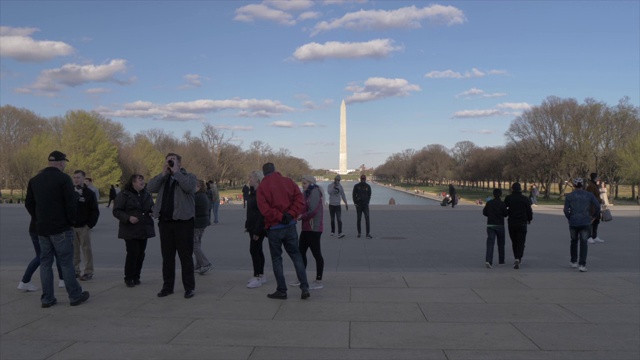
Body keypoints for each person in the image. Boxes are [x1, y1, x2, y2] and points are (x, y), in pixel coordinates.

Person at [25, 150, 90, 307]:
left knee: (46, 263)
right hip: (61, 228)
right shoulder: (63, 179)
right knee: (66, 262)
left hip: (42, 228)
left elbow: (29, 203)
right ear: (61, 163)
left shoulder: (35, 180)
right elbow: (70, 203)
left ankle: (47, 298)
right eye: (64, 163)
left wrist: (38, 218)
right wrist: (70, 220)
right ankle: (74, 295)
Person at [147, 153, 197, 299]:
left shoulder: (189, 177)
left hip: (183, 222)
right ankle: (167, 286)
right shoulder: (164, 178)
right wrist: (163, 173)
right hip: (165, 222)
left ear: (179, 163)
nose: (169, 163)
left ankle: (189, 287)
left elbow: (189, 187)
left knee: (185, 256)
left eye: (173, 161)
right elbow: (150, 187)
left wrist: (176, 172)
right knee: (167, 257)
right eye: (168, 161)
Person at [256, 162, 309, 300]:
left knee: (277, 260)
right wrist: (290, 214)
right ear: (275, 170)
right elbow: (300, 200)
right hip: (290, 225)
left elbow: (265, 210)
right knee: (296, 256)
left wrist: (279, 217)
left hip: (274, 228)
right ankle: (304, 287)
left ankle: (282, 290)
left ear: (264, 173)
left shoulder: (262, 187)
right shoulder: (288, 182)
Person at [112, 174, 155, 287]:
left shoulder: (146, 194)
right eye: (139, 180)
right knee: (132, 253)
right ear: (133, 182)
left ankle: (137, 276)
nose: (142, 182)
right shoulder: (124, 195)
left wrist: (152, 211)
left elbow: (151, 207)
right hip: (130, 230)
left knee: (141, 254)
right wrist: (128, 218)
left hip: (143, 228)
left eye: (143, 179)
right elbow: (116, 211)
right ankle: (129, 277)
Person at [17, 216, 65, 292]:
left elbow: (29, 205)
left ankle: (62, 279)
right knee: (46, 256)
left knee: (42, 256)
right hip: (46, 228)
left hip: (36, 227)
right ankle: (25, 280)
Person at [564, 177, 601, 272]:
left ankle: (573, 261)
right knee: (584, 243)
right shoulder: (589, 195)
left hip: (573, 221)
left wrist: (569, 218)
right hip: (585, 221)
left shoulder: (569, 196)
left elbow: (565, 210)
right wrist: (593, 217)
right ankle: (582, 264)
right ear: (583, 185)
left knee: (573, 241)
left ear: (574, 185)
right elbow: (597, 206)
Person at [297, 175, 325, 290]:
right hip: (306, 227)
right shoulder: (306, 193)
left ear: (310, 183)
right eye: (302, 183)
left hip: (314, 228)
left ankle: (319, 280)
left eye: (304, 183)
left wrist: (301, 216)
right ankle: (301, 278)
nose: (302, 186)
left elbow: (312, 210)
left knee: (316, 253)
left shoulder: (314, 192)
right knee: (301, 252)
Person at [71, 170, 100, 281]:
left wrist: (89, 225)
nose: (76, 179)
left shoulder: (89, 193)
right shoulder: (69, 192)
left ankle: (88, 271)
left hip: (84, 227)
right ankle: (75, 270)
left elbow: (94, 211)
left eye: (78, 177)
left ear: (84, 179)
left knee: (86, 249)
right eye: (74, 177)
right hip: (72, 226)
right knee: (74, 250)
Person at [244, 170, 267, 288]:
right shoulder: (253, 192)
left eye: (251, 178)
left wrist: (257, 230)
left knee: (254, 250)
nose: (249, 179)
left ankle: (258, 275)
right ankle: (260, 275)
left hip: (258, 227)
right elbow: (251, 211)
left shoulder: (260, 193)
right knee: (257, 250)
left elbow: (261, 213)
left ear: (257, 179)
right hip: (252, 226)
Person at [504, 182, 533, 269]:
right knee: (521, 241)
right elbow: (529, 210)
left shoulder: (508, 198)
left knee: (514, 241)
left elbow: (504, 209)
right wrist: (529, 219)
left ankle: (516, 256)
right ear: (520, 189)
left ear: (512, 189)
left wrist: (508, 213)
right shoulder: (525, 199)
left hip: (512, 222)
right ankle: (518, 257)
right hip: (522, 222)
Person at [482, 188, 508, 268]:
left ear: (493, 194)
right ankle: (501, 260)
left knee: (490, 243)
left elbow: (484, 212)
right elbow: (505, 214)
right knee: (501, 244)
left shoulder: (489, 203)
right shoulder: (502, 204)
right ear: (500, 195)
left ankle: (488, 260)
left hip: (490, 225)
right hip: (500, 225)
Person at [193, 179, 213, 275]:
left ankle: (205, 263)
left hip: (197, 223)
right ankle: (199, 264)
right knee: (198, 244)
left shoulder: (197, 197)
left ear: (199, 187)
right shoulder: (203, 196)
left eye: (194, 185)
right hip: (202, 222)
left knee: (195, 245)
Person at [585, 173, 605, 244]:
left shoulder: (595, 185)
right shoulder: (591, 185)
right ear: (595, 178)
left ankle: (594, 236)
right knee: (591, 221)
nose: (598, 178)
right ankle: (588, 237)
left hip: (596, 206)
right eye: (598, 177)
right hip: (592, 206)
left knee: (596, 221)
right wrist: (600, 200)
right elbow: (590, 196)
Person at [353, 174, 372, 239]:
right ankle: (359, 233)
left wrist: (368, 201)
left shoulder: (368, 186)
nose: (363, 180)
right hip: (359, 205)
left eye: (364, 179)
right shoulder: (356, 186)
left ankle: (368, 233)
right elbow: (354, 195)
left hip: (365, 205)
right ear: (361, 179)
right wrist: (355, 203)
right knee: (359, 219)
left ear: (365, 179)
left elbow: (369, 195)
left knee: (367, 219)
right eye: (362, 179)